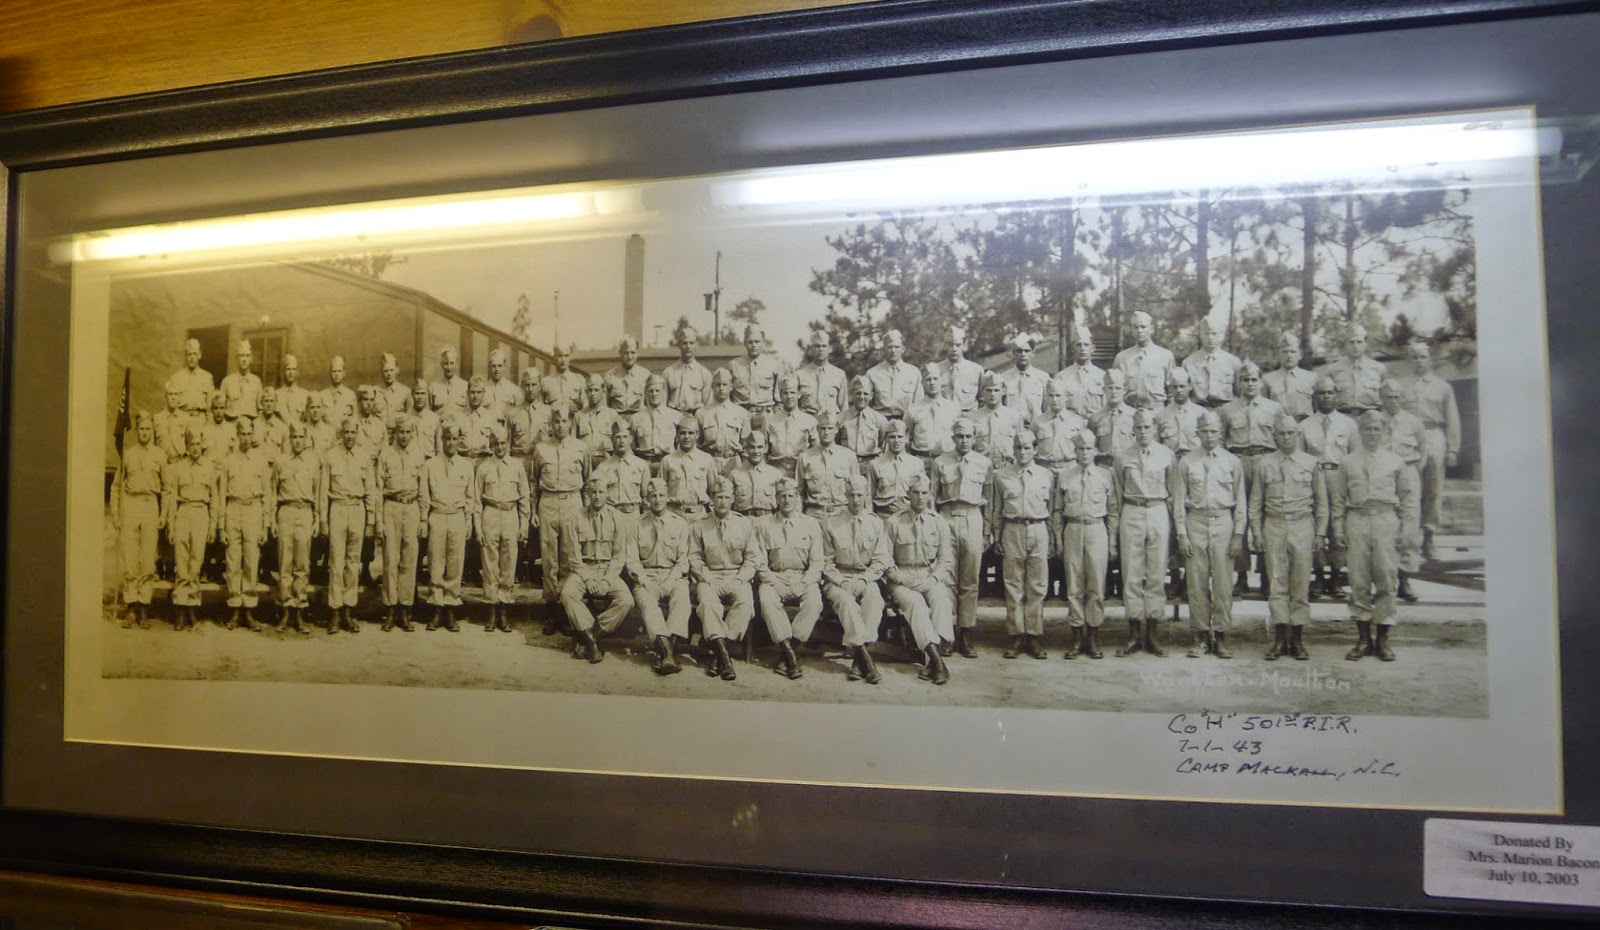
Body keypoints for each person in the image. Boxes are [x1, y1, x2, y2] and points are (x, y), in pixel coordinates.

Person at [1331, 410, 1419, 662]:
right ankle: (1363, 640)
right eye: (1367, 429)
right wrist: (1338, 529)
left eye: (1376, 429)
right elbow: (1338, 499)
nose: (1372, 433)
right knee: (1358, 581)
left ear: (1383, 432)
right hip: (1357, 520)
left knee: (1386, 580)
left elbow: (1408, 498)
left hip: (1385, 521)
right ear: (1360, 432)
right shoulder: (1348, 462)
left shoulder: (1396, 462)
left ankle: (1383, 640)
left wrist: (1406, 528)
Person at [1250, 415, 1328, 661]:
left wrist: (1320, 533)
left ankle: (1297, 640)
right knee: (1277, 584)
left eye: (1290, 433)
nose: (1286, 438)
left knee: (1300, 585)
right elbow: (1255, 503)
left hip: (1302, 525)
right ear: (1274, 436)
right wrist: (1257, 532)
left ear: (1297, 435)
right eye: (1281, 433)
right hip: (1274, 525)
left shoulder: (1311, 463)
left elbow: (1322, 503)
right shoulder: (1264, 464)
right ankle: (1279, 639)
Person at [1172, 412, 1246, 658]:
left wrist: (1238, 534)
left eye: (1214, 431)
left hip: (1223, 521)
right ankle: (1201, 637)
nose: (1210, 436)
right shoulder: (1187, 462)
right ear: (1198, 433)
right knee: (1197, 583)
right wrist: (1182, 534)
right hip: (1196, 522)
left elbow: (1241, 502)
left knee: (1223, 584)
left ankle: (1221, 636)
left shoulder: (1232, 462)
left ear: (1221, 433)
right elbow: (1179, 502)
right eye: (1205, 431)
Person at [1112, 408, 1175, 657]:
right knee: (1131, 574)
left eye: (1147, 426)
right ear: (1133, 430)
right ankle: (1134, 634)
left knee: (1157, 573)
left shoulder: (1166, 455)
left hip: (1158, 510)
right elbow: (1118, 493)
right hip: (1132, 511)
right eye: (1138, 427)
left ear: (1155, 428)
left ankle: (1152, 634)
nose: (1143, 431)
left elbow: (1173, 492)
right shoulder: (1123, 457)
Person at [1219, 361, 1284, 596]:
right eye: (1245, 380)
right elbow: (1220, 440)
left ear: (1261, 382)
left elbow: (1282, 438)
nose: (1249, 384)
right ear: (1238, 383)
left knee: (1267, 516)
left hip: (1267, 461)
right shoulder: (1227, 410)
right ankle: (1242, 575)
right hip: (1239, 461)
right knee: (1239, 516)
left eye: (1254, 379)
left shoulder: (1274, 408)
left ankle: (1267, 574)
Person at [989, 429, 1054, 659]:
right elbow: (996, 509)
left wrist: (1052, 537)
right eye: (1018, 447)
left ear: (1035, 449)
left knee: (1037, 585)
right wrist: (996, 537)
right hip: (1012, 528)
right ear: (1013, 450)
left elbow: (1052, 509)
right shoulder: (1002, 476)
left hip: (1038, 528)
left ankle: (1034, 637)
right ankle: (1016, 636)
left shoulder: (1046, 475)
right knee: (1013, 584)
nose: (1022, 452)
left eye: (1027, 447)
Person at [885, 474, 955, 685]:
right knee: (916, 604)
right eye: (915, 492)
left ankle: (933, 661)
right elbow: (885, 559)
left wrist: (932, 579)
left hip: (928, 575)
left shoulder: (939, 522)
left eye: (924, 492)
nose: (920, 497)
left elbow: (945, 560)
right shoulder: (894, 522)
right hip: (901, 578)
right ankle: (938, 663)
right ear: (908, 494)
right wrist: (902, 579)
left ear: (930, 494)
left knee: (942, 599)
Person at [1052, 429, 1114, 659]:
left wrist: (1112, 541)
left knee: (1096, 586)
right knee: (1074, 587)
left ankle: (1093, 639)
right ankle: (1077, 638)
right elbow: (1057, 511)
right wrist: (1058, 539)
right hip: (1073, 529)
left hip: (1097, 529)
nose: (1085, 453)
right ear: (1075, 452)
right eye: (1081, 449)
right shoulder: (1065, 476)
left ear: (1095, 450)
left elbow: (1113, 511)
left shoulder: (1105, 476)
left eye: (1088, 448)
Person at [754, 478, 825, 680]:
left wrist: (803, 583)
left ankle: (789, 651)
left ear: (797, 498)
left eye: (790, 496)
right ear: (776, 498)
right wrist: (774, 583)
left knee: (814, 603)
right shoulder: (764, 525)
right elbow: (759, 562)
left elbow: (817, 563)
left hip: (802, 576)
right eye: (782, 496)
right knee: (767, 600)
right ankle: (790, 653)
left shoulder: (811, 524)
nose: (786, 500)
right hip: (774, 577)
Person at [822, 475, 891, 684]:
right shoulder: (832, 522)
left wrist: (864, 580)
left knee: (874, 601)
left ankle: (858, 660)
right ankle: (865, 660)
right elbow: (825, 561)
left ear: (866, 495)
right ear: (845, 495)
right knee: (846, 602)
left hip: (865, 577)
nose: (855, 500)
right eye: (851, 495)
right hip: (838, 578)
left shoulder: (875, 523)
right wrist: (841, 581)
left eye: (859, 495)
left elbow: (881, 560)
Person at [559, 472, 634, 663]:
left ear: (607, 493)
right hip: (584, 570)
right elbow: (574, 557)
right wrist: (588, 579)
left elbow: (619, 556)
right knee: (567, 594)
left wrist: (607, 580)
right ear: (588, 494)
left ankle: (589, 635)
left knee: (626, 601)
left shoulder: (618, 518)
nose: (597, 496)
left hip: (609, 571)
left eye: (601, 492)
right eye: (593, 492)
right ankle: (592, 641)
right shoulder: (576, 518)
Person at [933, 417, 992, 657]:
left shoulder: (984, 463)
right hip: (947, 516)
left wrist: (987, 531)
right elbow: (932, 498)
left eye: (968, 436)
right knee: (947, 578)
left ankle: (966, 633)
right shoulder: (940, 462)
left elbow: (990, 500)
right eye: (960, 436)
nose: (964, 440)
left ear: (974, 438)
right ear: (953, 438)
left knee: (970, 579)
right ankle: (947, 634)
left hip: (972, 517)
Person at [691, 477, 759, 680]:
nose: (722, 502)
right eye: (719, 497)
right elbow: (694, 557)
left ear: (733, 499)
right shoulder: (700, 525)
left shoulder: (744, 524)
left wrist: (740, 579)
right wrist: (706, 577)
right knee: (707, 604)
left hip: (736, 576)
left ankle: (720, 655)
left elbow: (752, 558)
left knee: (746, 604)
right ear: (712, 499)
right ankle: (725, 659)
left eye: (727, 497)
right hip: (710, 576)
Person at [626, 478, 692, 675]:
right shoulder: (636, 524)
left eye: (661, 495)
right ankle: (669, 655)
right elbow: (632, 560)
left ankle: (665, 654)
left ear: (667, 497)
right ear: (647, 499)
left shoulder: (680, 524)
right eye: (653, 496)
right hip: (646, 576)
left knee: (682, 601)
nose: (657, 500)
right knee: (648, 605)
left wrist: (670, 580)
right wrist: (645, 582)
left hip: (673, 575)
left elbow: (683, 560)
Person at [1302, 375, 1359, 597]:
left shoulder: (1349, 424)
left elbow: (1355, 457)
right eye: (1321, 393)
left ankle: (1335, 577)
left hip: (1339, 476)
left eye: (1330, 392)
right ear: (1314, 397)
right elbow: (1300, 458)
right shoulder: (1304, 425)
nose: (1326, 397)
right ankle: (1318, 576)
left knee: (1338, 525)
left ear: (1336, 395)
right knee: (1315, 525)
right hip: (1315, 476)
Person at [530, 406, 587, 629]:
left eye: (564, 421)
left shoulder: (581, 448)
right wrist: (534, 511)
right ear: (551, 424)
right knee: (548, 557)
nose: (560, 425)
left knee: (569, 556)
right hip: (548, 502)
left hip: (572, 502)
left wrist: (585, 513)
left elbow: (587, 480)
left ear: (570, 422)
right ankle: (551, 607)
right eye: (556, 421)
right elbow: (534, 482)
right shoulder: (541, 448)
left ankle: (566, 605)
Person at [1403, 341, 1461, 561]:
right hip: (1409, 438)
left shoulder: (1443, 387)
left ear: (1430, 359)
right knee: (1409, 488)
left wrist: (1453, 449)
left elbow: (1453, 419)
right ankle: (1409, 540)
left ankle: (1429, 537)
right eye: (1414, 357)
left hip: (1435, 435)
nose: (1419, 361)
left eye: (1422, 356)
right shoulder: (1403, 386)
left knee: (1434, 488)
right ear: (1410, 360)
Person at [372, 414, 426, 632]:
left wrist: (423, 518)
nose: (404, 436)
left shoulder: (419, 455)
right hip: (391, 507)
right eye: (400, 432)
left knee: (409, 560)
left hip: (411, 508)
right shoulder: (385, 455)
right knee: (390, 560)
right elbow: (377, 490)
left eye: (408, 432)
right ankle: (390, 609)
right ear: (394, 432)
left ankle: (405, 609)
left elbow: (423, 490)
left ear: (412, 433)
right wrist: (378, 520)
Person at [421, 425, 476, 631]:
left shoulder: (466, 466)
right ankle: (437, 607)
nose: (451, 442)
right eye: (447, 438)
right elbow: (424, 495)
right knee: (436, 562)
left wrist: (468, 520)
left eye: (454, 438)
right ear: (441, 440)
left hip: (457, 517)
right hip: (437, 515)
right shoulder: (430, 465)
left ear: (459, 440)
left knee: (455, 563)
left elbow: (470, 497)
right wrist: (424, 519)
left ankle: (451, 607)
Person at [220, 417, 274, 629]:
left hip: (253, 509)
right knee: (233, 561)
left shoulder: (261, 461)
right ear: (237, 436)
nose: (246, 438)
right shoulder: (228, 461)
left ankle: (249, 610)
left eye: (249, 434)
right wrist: (221, 526)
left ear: (253, 435)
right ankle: (235, 609)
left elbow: (267, 494)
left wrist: (265, 525)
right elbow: (221, 495)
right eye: (242, 434)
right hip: (233, 508)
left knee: (251, 560)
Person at [321, 418, 374, 633]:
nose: (350, 436)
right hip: (338, 508)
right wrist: (323, 519)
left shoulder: (364, 457)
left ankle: (349, 611)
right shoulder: (331, 456)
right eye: (346, 432)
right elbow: (323, 491)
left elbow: (370, 490)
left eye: (353, 432)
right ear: (341, 434)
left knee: (353, 562)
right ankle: (335, 611)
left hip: (357, 509)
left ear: (357, 433)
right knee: (336, 561)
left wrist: (371, 520)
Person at [111, 411, 164, 627]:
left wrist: (164, 513)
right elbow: (116, 487)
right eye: (141, 428)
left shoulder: (160, 455)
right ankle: (131, 606)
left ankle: (144, 607)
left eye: (148, 429)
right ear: (137, 430)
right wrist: (115, 513)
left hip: (150, 505)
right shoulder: (128, 454)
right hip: (130, 505)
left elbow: (168, 489)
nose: (144, 432)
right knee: (130, 559)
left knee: (148, 560)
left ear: (152, 430)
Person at [164, 429, 218, 629]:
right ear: (186, 447)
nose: (195, 448)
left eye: (198, 444)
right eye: (191, 444)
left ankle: (192, 607)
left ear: (202, 445)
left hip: (201, 513)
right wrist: (171, 525)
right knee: (182, 562)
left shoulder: (209, 468)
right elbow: (172, 498)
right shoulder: (178, 468)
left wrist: (213, 525)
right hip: (183, 512)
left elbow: (214, 499)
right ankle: (180, 608)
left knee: (196, 562)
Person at [474, 428, 528, 631]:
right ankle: (491, 611)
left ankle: (504, 610)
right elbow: (476, 501)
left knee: (508, 563)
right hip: (490, 513)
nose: (499, 447)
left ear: (509, 444)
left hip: (510, 514)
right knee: (489, 564)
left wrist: (524, 525)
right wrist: (478, 528)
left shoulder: (517, 466)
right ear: (491, 445)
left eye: (503, 443)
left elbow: (524, 497)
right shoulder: (484, 467)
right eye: (496, 443)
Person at [1379, 379, 1428, 603]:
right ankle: (1384, 582)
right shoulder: (1374, 420)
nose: (1393, 401)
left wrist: (1411, 473)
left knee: (1408, 527)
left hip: (1408, 473)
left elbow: (1423, 451)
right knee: (1383, 528)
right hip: (1382, 476)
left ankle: (1404, 579)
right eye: (1388, 397)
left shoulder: (1414, 422)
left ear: (1402, 398)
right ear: (1381, 398)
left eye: (1396, 397)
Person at [273, 422, 320, 633]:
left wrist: (317, 519)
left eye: (301, 437)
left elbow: (318, 492)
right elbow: (272, 491)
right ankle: (285, 609)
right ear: (289, 439)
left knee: (302, 564)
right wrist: (271, 520)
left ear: (306, 439)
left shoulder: (313, 462)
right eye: (294, 437)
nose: (298, 441)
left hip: (305, 512)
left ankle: (300, 610)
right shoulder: (280, 461)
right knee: (285, 563)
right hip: (286, 511)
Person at [590, 420, 649, 536]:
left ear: (630, 438)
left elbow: (646, 499)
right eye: (617, 437)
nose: (621, 441)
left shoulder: (641, 465)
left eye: (625, 437)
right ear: (611, 439)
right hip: (610, 518)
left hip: (633, 517)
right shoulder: (603, 467)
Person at [796, 409, 855, 519]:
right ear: (817, 429)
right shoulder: (805, 457)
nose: (826, 432)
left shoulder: (848, 456)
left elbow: (856, 488)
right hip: (814, 514)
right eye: (823, 428)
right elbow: (798, 492)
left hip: (841, 514)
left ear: (836, 429)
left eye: (830, 428)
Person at [1113, 310, 1175, 409]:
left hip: (1156, 411)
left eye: (1143, 327)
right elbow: (1114, 390)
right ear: (1132, 330)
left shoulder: (1165, 356)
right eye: (1136, 327)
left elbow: (1173, 393)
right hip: (1129, 411)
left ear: (1152, 329)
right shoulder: (1122, 358)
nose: (1139, 330)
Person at [662, 413, 718, 517]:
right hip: (674, 514)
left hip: (699, 514)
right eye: (682, 433)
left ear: (697, 435)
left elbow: (714, 491)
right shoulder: (668, 460)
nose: (686, 437)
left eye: (691, 433)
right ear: (677, 435)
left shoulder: (706, 459)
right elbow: (661, 491)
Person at [1327, 325, 1387, 416]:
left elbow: (1387, 398)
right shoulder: (1333, 369)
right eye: (1351, 342)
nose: (1355, 346)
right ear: (1345, 345)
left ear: (1366, 344)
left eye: (1359, 342)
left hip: (1372, 417)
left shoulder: (1379, 368)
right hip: (1343, 417)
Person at [729, 324, 789, 414]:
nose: (753, 345)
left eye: (757, 342)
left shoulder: (774, 365)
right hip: (739, 414)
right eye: (750, 342)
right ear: (744, 343)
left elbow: (780, 397)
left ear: (763, 343)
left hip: (766, 414)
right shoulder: (734, 365)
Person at [1181, 318, 1241, 408]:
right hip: (1198, 410)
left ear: (1221, 335)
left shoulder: (1233, 362)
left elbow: (1240, 393)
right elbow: (1184, 395)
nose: (1210, 337)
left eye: (1214, 333)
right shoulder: (1188, 363)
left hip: (1226, 409)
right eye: (1206, 333)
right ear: (1200, 334)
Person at [905, 365, 960, 462]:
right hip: (922, 460)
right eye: (928, 379)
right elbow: (905, 438)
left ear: (941, 380)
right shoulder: (913, 409)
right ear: (922, 383)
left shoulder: (954, 408)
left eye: (935, 379)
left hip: (948, 461)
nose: (932, 383)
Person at [869, 420, 924, 515]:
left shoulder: (917, 464)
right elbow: (869, 497)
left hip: (908, 516)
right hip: (884, 515)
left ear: (907, 438)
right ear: (885, 438)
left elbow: (922, 495)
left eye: (900, 436)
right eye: (892, 437)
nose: (896, 441)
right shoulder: (875, 464)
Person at [765, 375, 817, 476]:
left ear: (799, 394)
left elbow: (815, 452)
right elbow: (764, 453)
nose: (789, 397)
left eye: (792, 392)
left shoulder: (810, 421)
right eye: (785, 393)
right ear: (780, 395)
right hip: (775, 471)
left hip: (801, 471)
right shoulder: (770, 421)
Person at [865, 329, 922, 419]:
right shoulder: (872, 374)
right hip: (880, 421)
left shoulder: (914, 373)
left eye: (897, 347)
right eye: (889, 347)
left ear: (903, 349)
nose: (893, 350)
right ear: (884, 349)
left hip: (906, 421)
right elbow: (866, 406)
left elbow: (919, 405)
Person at [697, 368, 751, 464]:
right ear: (712, 387)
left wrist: (745, 466)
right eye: (718, 385)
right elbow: (696, 442)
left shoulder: (741, 413)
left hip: (733, 462)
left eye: (725, 384)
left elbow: (746, 444)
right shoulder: (702, 413)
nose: (721, 388)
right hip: (709, 461)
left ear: (731, 387)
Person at [1032, 380, 1089, 470]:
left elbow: (1084, 448)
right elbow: (1030, 449)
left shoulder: (1077, 421)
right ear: (1046, 397)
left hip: (1070, 468)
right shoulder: (1037, 421)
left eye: (1058, 395)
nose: (1054, 399)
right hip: (1044, 468)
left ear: (1066, 397)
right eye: (1051, 395)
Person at [1053, 324, 1107, 419]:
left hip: (1096, 424)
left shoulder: (1102, 376)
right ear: (1072, 349)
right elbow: (1056, 408)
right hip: (1070, 424)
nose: (1082, 349)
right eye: (1078, 345)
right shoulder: (1061, 377)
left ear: (1093, 349)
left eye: (1086, 345)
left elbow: (1107, 409)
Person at [726, 430, 783, 518]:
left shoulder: (775, 474)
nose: (756, 451)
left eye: (760, 447)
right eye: (752, 447)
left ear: (766, 448)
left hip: (768, 520)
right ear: (746, 449)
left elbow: (783, 505)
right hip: (742, 520)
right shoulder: (735, 474)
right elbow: (727, 504)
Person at [970, 374, 1023, 466]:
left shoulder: (1015, 417)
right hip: (980, 466)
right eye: (989, 390)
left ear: (1003, 391)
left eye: (996, 390)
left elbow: (1021, 444)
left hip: (1007, 467)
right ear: (982, 392)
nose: (992, 394)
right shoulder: (972, 418)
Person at [996, 332, 1049, 426]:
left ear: (1033, 353)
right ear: (1014, 353)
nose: (1023, 354)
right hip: (1010, 427)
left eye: (1027, 351)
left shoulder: (1043, 378)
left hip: (1035, 428)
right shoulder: (1003, 378)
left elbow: (1047, 409)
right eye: (1019, 351)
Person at [1261, 332, 1316, 420]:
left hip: (1306, 425)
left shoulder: (1312, 378)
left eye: (1293, 351)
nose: (1289, 355)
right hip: (1279, 425)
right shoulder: (1267, 380)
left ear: (1300, 355)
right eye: (1284, 352)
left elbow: (1318, 409)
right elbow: (1263, 409)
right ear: (1278, 355)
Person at [838, 375, 889, 467]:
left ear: (871, 396)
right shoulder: (840, 419)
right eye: (858, 393)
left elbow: (884, 444)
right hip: (846, 465)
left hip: (871, 465)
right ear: (851, 395)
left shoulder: (880, 420)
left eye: (865, 393)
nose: (861, 397)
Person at [932, 325, 984, 413]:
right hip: (943, 416)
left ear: (964, 346)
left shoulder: (976, 370)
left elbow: (983, 401)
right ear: (945, 346)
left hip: (969, 417)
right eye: (950, 345)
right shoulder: (935, 370)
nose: (954, 349)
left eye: (958, 345)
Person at [794, 330, 848, 416]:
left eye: (824, 346)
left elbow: (844, 408)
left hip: (831, 422)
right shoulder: (799, 375)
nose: (821, 349)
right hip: (806, 421)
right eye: (817, 346)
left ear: (829, 348)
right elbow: (793, 407)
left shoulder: (839, 375)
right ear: (811, 348)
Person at [630, 374, 677, 470]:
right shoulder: (636, 418)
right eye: (650, 391)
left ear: (664, 392)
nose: (654, 394)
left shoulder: (675, 416)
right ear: (646, 393)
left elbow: (680, 446)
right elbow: (630, 448)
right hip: (644, 464)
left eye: (657, 390)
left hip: (668, 464)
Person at [1156, 367, 1205, 459]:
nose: (1178, 390)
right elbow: (1156, 445)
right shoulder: (1161, 415)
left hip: (1194, 460)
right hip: (1169, 459)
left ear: (1190, 386)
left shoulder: (1201, 413)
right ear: (1170, 388)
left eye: (1182, 386)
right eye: (1175, 387)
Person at [662, 327, 713, 413]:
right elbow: (663, 404)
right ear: (679, 345)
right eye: (684, 343)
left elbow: (708, 406)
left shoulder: (704, 373)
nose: (688, 346)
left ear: (696, 345)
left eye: (691, 343)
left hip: (696, 418)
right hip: (673, 417)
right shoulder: (668, 373)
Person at [1090, 369, 1135, 466]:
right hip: (1104, 466)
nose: (1114, 392)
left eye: (1117, 388)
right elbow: (1090, 446)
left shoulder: (1134, 416)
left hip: (1128, 466)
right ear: (1104, 390)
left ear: (1125, 390)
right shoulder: (1095, 418)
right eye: (1110, 388)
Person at [574, 375, 620, 466]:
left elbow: (619, 441)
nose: (592, 393)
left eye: (596, 390)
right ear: (586, 392)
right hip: (585, 461)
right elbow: (572, 443)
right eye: (590, 390)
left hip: (607, 461)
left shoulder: (612, 415)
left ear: (603, 391)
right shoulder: (579, 416)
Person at [459, 377, 504, 459]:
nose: (475, 396)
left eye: (479, 392)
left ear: (483, 393)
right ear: (467, 393)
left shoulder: (490, 416)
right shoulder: (459, 415)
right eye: (472, 392)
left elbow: (497, 442)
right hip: (463, 460)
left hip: (484, 460)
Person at [219, 339, 263, 422]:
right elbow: (220, 408)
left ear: (251, 358)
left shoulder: (256, 381)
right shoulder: (227, 381)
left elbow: (260, 409)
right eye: (241, 355)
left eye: (247, 355)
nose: (244, 359)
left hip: (250, 425)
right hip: (231, 424)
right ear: (237, 358)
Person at [170, 337, 214, 417]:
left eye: (194, 354)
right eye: (189, 354)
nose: (192, 357)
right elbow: (171, 406)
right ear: (185, 356)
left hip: (200, 418)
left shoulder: (207, 377)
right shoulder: (176, 378)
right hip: (181, 418)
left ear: (199, 355)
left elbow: (209, 407)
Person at [606, 336, 650, 416]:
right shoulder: (610, 376)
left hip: (638, 418)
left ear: (637, 353)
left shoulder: (645, 375)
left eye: (633, 352)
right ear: (620, 353)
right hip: (616, 419)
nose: (629, 357)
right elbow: (605, 405)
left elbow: (649, 404)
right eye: (626, 353)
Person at [154, 381, 193, 462]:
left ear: (179, 397)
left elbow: (190, 443)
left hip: (180, 462)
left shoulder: (186, 418)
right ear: (165, 396)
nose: (173, 397)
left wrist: (185, 460)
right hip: (162, 462)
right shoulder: (157, 418)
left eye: (176, 394)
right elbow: (152, 445)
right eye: (170, 394)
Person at [541, 343, 587, 413]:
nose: (563, 360)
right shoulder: (545, 382)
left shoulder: (579, 380)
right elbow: (540, 410)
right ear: (554, 357)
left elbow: (585, 408)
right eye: (560, 356)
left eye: (566, 356)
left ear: (570, 357)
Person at [373, 352, 414, 427]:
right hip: (379, 432)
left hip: (398, 432)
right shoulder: (374, 391)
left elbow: (410, 416)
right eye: (386, 371)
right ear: (381, 371)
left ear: (397, 370)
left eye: (391, 370)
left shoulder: (405, 391)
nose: (389, 373)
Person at [430, 346, 470, 421]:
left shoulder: (465, 386)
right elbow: (428, 414)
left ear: (457, 364)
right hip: (439, 427)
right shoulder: (433, 387)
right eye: (446, 363)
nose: (449, 367)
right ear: (441, 364)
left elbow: (469, 413)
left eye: (452, 363)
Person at [483, 349, 522, 418]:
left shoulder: (514, 389)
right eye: (493, 366)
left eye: (499, 365)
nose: (496, 369)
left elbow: (520, 414)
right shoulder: (483, 389)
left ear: (504, 367)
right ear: (489, 367)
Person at [323, 355, 358, 427]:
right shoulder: (322, 395)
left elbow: (355, 421)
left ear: (344, 373)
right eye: (334, 371)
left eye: (339, 371)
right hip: (326, 433)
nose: (336, 374)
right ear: (330, 373)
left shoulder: (350, 395)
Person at [410, 381, 442, 459]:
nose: (420, 397)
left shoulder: (435, 419)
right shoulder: (406, 417)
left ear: (427, 395)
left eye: (423, 393)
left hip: (429, 461)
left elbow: (439, 448)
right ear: (412, 395)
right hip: (410, 461)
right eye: (417, 393)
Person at [278, 353, 312, 426]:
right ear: (283, 371)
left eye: (293, 369)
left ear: (297, 372)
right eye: (288, 369)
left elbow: (308, 422)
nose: (290, 372)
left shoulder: (305, 394)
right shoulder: (277, 394)